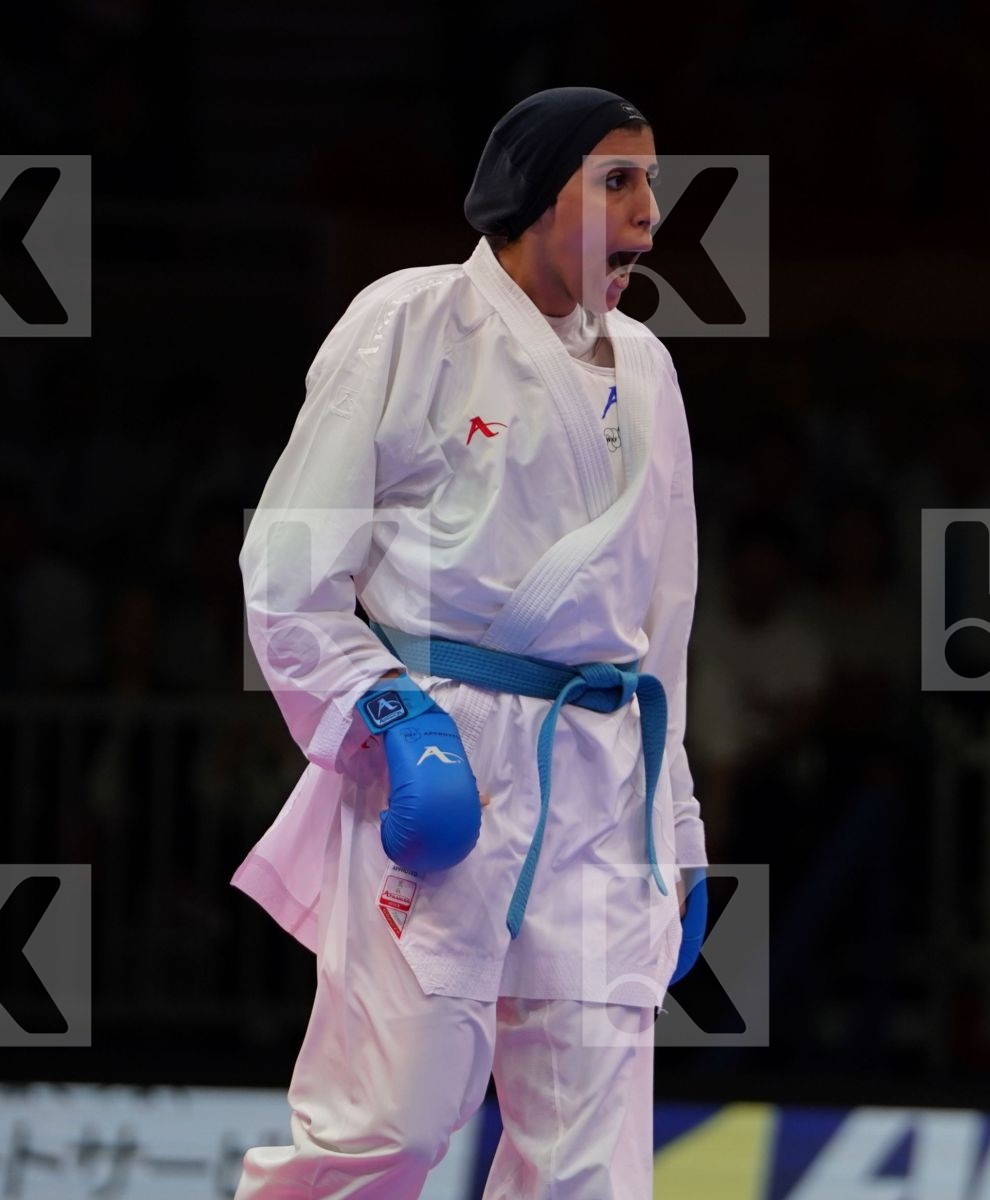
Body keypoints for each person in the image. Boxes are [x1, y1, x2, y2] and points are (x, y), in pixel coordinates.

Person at [231, 87, 710, 1199]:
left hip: (604, 780)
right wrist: (389, 713)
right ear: (537, 194)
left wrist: (677, 822)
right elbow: (290, 573)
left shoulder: (649, 366)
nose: (649, 214)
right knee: (386, 1129)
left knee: (591, 1171)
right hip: (449, 755)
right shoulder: (411, 319)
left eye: (652, 184)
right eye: (618, 181)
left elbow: (664, 620)